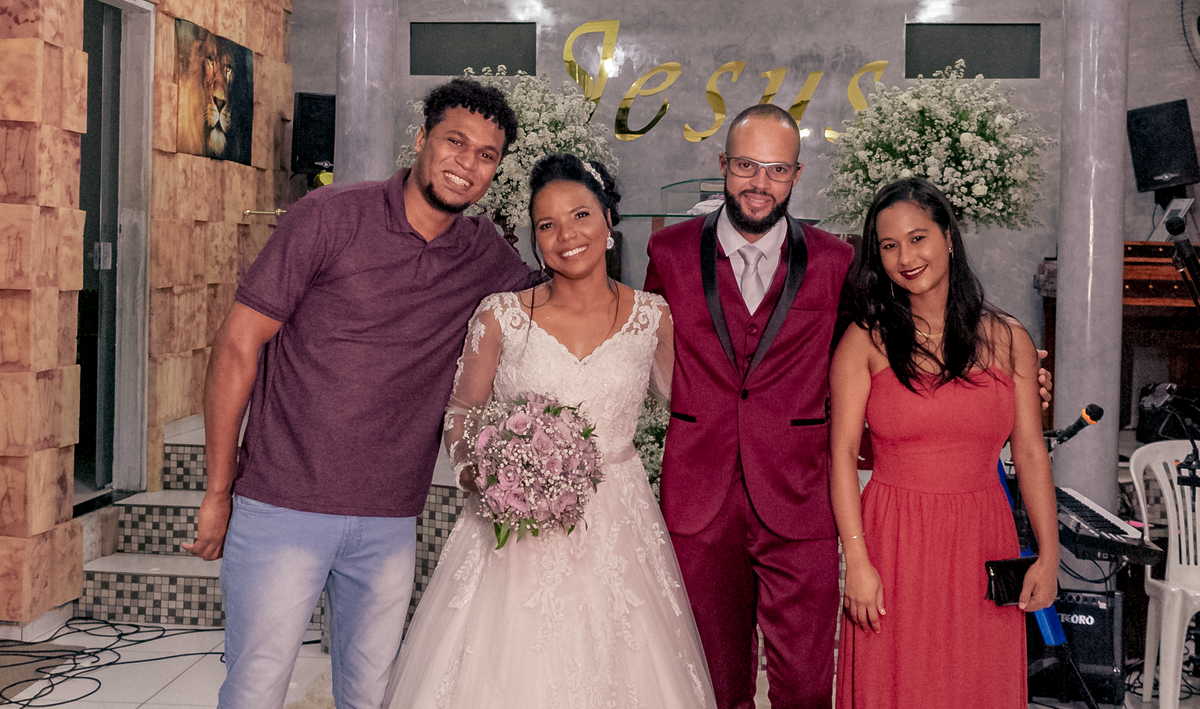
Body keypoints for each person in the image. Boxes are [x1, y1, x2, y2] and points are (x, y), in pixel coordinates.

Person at [182, 78, 540, 709]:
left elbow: (554, 306)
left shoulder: (483, 254)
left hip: (389, 518)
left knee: (371, 694)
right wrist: (217, 492)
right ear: (421, 139)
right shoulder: (329, 216)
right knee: (256, 688)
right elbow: (237, 346)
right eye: (455, 142)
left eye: (486, 155)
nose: (467, 163)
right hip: (282, 503)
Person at [384, 153, 717, 708]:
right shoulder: (501, 315)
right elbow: (461, 411)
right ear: (536, 239)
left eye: (580, 215)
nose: (567, 235)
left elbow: (691, 409)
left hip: (618, 521)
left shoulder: (653, 318)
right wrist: (487, 476)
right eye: (547, 224)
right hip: (512, 529)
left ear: (608, 220)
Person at [643, 104, 853, 709]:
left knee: (807, 684)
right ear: (722, 164)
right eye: (746, 166)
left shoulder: (836, 261)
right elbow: (637, 343)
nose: (760, 183)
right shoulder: (669, 251)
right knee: (712, 680)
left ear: (797, 174)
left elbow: (870, 357)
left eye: (777, 170)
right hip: (699, 496)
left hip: (800, 496)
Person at [828, 177, 1059, 707]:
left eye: (918, 238)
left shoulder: (1010, 339)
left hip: (983, 537)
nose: (906, 258)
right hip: (894, 541)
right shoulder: (864, 341)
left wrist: (1049, 555)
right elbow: (840, 457)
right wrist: (856, 562)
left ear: (948, 237)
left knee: (975, 684)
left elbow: (1030, 453)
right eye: (889, 246)